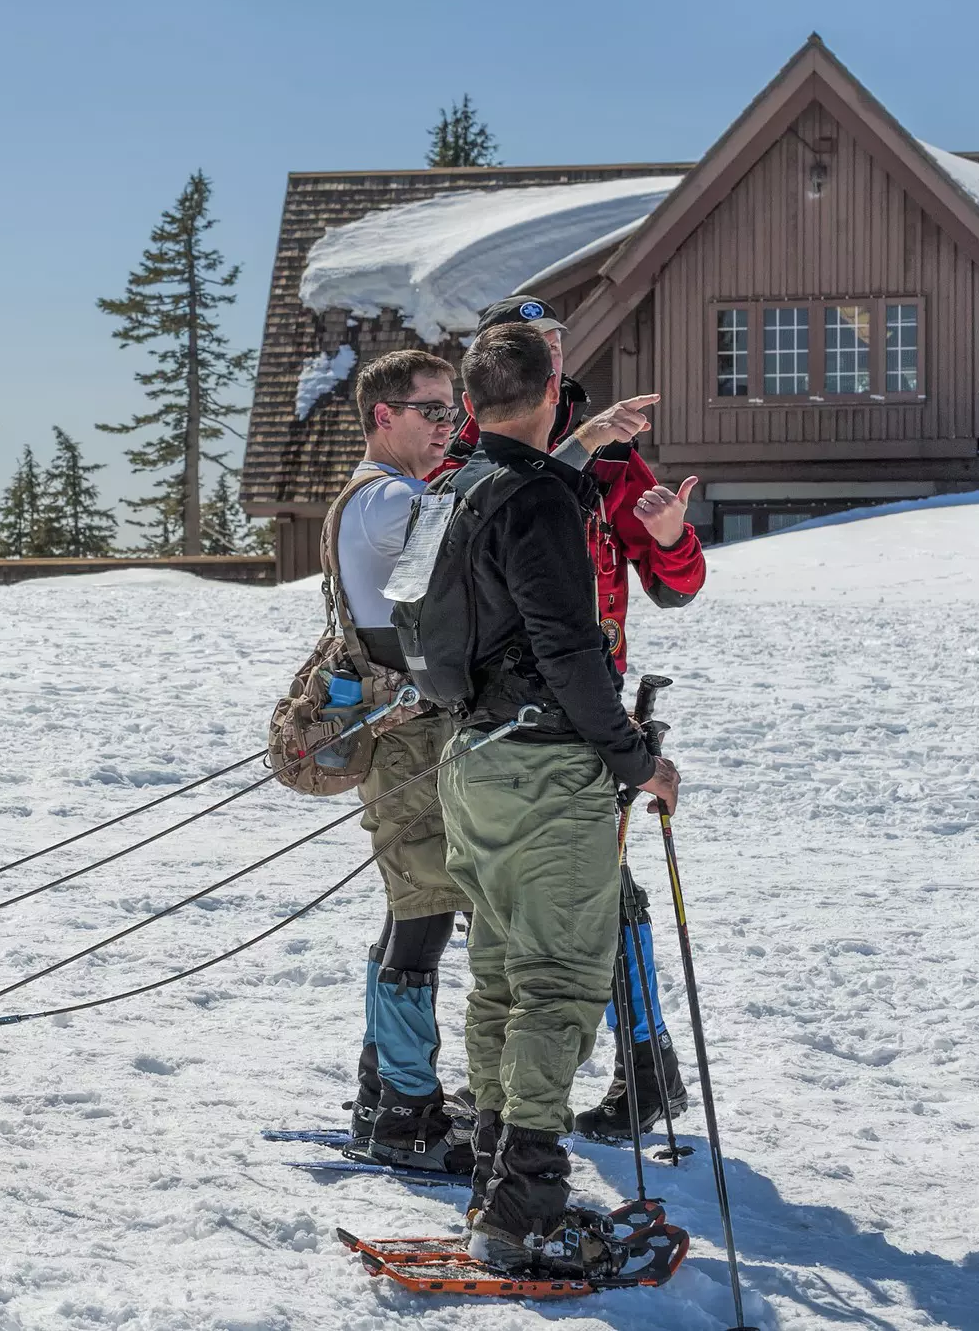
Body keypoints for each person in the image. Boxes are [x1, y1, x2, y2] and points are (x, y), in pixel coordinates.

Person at [426, 323, 680, 1273]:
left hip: (470, 760)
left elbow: (533, 493)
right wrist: (632, 759)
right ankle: (525, 1204)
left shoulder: (462, 486)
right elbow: (570, 648)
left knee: (499, 974)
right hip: (543, 765)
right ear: (553, 387)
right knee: (559, 982)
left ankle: (496, 1182)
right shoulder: (530, 502)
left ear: (469, 402)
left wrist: (581, 452)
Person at [462, 295, 708, 1142]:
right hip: (502, 713)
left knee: (591, 898)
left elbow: (674, 586)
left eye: (559, 344)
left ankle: (635, 1068)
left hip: (588, 707)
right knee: (518, 923)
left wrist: (672, 538)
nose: (554, 359)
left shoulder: (613, 456)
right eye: (537, 347)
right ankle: (541, 1096)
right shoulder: (482, 447)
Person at [329, 349, 473, 1173]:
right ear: (384, 415)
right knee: (421, 915)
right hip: (409, 739)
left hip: (403, 735)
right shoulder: (392, 499)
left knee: (410, 911)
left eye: (452, 410)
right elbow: (479, 524)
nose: (447, 425)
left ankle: (386, 1089)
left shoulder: (379, 494)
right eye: (433, 411)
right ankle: (405, 1116)